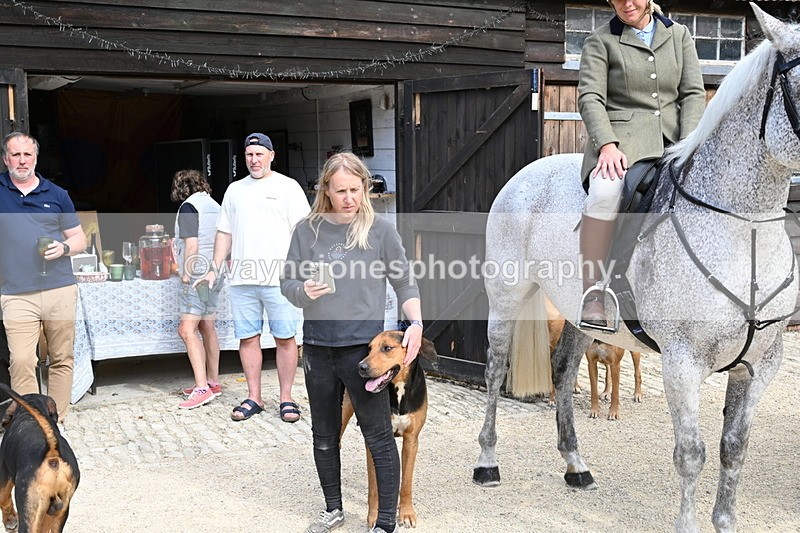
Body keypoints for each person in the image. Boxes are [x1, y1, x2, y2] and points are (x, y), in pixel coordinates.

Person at [281, 152, 423, 533]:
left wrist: (416, 321)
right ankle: (333, 509)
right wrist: (303, 290)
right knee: (324, 434)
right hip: (317, 347)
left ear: (365, 188)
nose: (348, 198)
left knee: (378, 435)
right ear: (325, 189)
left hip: (363, 350)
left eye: (355, 190)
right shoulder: (305, 230)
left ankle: (385, 522)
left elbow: (404, 282)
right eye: (340, 190)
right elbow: (287, 284)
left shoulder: (380, 231)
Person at [577, 0, 705, 328]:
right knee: (605, 192)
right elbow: (590, 97)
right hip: (622, 143)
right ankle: (593, 292)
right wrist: (606, 145)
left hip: (676, 142)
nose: (627, 4)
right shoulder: (600, 41)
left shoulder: (679, 36)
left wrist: (688, 144)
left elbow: (692, 94)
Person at [201, 133, 310, 422]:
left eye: (260, 154)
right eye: (249, 154)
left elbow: (304, 232)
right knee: (248, 338)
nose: (254, 159)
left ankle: (286, 398)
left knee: (285, 338)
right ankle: (254, 397)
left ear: (272, 156)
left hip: (280, 278)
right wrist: (214, 267)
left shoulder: (288, 187)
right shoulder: (235, 190)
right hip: (242, 279)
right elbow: (225, 231)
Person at [0, 131, 87, 422]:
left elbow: (79, 239)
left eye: (27, 155)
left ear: (36, 159)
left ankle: (57, 419)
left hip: (59, 288)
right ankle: (32, 422)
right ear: (5, 158)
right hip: (15, 292)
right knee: (22, 360)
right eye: (15, 154)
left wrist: (63, 248)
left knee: (61, 358)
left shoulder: (57, 194)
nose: (21, 161)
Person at [171, 169, 222, 409]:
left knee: (186, 330)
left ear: (182, 188)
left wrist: (185, 274)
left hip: (197, 274)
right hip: (215, 272)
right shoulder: (215, 205)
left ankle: (202, 388)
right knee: (208, 326)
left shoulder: (189, 208)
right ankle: (212, 381)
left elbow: (191, 244)